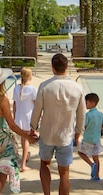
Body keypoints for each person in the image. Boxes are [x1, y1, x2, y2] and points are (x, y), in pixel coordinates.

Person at [30, 53, 85, 195]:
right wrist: (78, 133)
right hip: (66, 136)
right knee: (64, 172)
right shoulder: (77, 88)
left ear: (52, 68)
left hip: (47, 134)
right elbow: (81, 114)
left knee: (44, 164)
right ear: (67, 67)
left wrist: (32, 128)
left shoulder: (45, 86)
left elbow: (37, 110)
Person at [0, 65, 37, 195]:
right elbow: (12, 125)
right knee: (2, 175)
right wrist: (28, 137)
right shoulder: (2, 100)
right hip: (2, 142)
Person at [12, 67, 37, 171]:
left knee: (24, 139)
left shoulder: (16, 88)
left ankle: (25, 156)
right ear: (30, 77)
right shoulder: (32, 89)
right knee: (25, 140)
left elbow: (14, 104)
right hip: (28, 118)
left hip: (19, 117)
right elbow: (36, 105)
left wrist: (14, 117)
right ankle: (22, 165)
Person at [77, 92, 103, 181]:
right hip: (97, 140)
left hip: (88, 139)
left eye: (86, 102)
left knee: (81, 153)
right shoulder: (100, 114)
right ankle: (97, 176)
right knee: (96, 157)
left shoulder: (88, 115)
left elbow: (84, 126)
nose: (85, 104)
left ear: (92, 103)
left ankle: (91, 164)